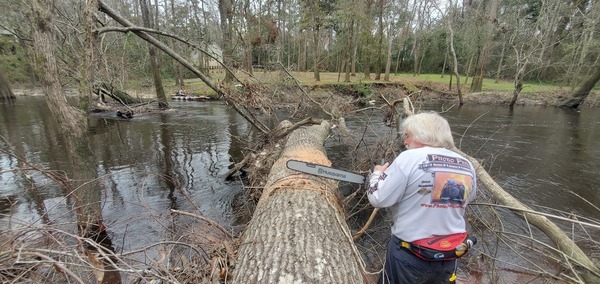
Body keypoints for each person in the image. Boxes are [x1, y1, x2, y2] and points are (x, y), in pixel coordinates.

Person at [368, 111, 477, 284]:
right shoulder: (466, 164)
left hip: (410, 256)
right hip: (449, 256)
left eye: (408, 135)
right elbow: (466, 199)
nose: (405, 141)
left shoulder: (409, 158)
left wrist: (377, 175)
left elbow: (378, 198)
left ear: (421, 135)